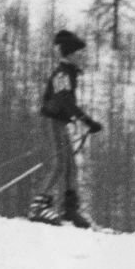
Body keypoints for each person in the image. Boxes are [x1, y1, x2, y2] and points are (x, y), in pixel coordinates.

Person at [28, 29, 102, 228]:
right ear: (70, 53)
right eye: (79, 53)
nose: (82, 56)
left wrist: (83, 121)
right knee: (60, 164)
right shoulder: (62, 73)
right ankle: (38, 207)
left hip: (60, 122)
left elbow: (66, 102)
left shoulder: (69, 72)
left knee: (70, 165)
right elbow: (64, 101)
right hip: (52, 121)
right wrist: (86, 120)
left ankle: (69, 208)